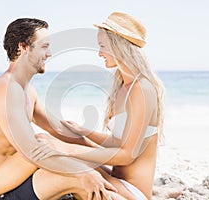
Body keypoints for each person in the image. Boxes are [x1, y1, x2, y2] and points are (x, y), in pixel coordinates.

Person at [0, 17, 123, 200]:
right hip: (1, 192)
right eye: (44, 46)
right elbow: (32, 152)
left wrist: (108, 157)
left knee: (86, 173)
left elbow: (61, 130)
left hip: (22, 182)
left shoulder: (27, 90)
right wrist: (84, 171)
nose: (50, 53)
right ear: (23, 47)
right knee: (79, 179)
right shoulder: (4, 89)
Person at [29, 12, 165, 200]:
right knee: (51, 142)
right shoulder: (123, 86)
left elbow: (127, 155)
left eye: (102, 46)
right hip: (116, 180)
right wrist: (84, 132)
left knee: (63, 155)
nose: (99, 53)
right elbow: (119, 143)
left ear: (118, 47)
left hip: (131, 192)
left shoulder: (142, 89)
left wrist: (67, 148)